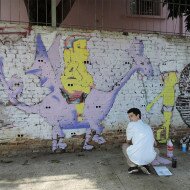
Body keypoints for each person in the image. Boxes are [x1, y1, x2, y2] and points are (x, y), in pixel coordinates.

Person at [122, 108, 157, 174]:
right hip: (149, 157)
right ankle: (145, 165)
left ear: (138, 116)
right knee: (156, 150)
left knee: (124, 146)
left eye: (131, 116)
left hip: (138, 155)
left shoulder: (131, 124)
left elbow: (128, 141)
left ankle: (133, 166)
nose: (130, 118)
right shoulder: (147, 126)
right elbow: (155, 143)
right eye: (129, 117)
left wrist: (132, 142)